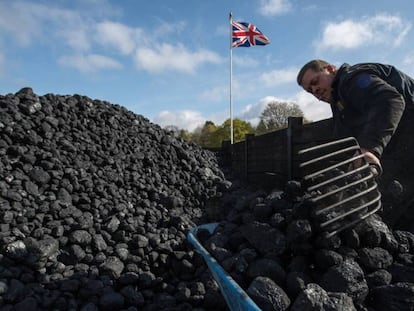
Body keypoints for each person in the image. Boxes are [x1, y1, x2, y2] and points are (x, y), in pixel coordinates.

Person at [296, 60, 414, 176]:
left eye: (315, 81)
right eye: (310, 91)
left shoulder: (351, 79)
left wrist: (368, 148)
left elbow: (390, 100)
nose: (315, 91)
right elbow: (343, 137)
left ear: (331, 69)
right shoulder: (338, 102)